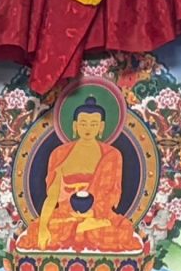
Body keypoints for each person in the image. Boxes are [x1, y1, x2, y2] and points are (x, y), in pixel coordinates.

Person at [24, 97, 146, 256]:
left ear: (101, 127)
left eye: (94, 124)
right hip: (66, 216)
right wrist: (43, 228)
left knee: (123, 231)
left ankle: (85, 227)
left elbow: (109, 195)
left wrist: (92, 215)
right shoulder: (59, 154)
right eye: (83, 123)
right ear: (75, 125)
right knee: (35, 230)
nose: (88, 128)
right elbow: (52, 197)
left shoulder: (112, 155)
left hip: (98, 217)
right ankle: (80, 229)